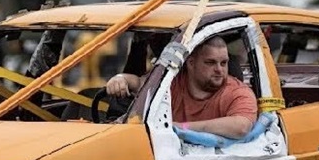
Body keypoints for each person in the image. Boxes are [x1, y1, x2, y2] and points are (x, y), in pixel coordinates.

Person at [106, 36, 258, 139]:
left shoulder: (238, 92)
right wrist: (120, 79)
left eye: (223, 63)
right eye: (210, 63)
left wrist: (179, 128)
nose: (219, 69)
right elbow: (140, 83)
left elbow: (241, 127)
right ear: (191, 63)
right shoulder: (171, 82)